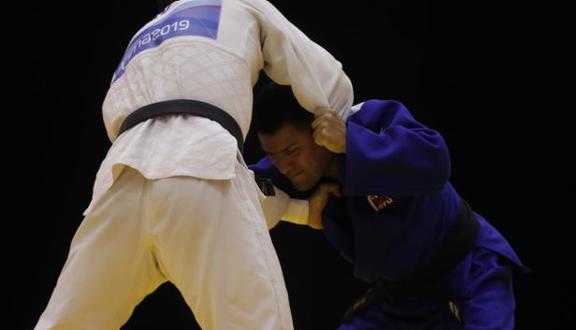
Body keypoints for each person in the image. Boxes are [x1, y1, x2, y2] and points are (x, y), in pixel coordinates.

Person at [35, 0, 353, 329]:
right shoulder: (239, 3)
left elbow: (175, 160)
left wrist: (300, 211)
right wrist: (344, 143)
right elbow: (329, 81)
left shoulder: (141, 35)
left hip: (116, 183)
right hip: (201, 162)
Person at [250, 82, 527, 329]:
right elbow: (242, 189)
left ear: (317, 130)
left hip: (468, 272)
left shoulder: (369, 122)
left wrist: (352, 143)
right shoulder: (282, 170)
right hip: (400, 299)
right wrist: (298, 211)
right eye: (272, 154)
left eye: (292, 151)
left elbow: (436, 161)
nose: (285, 166)